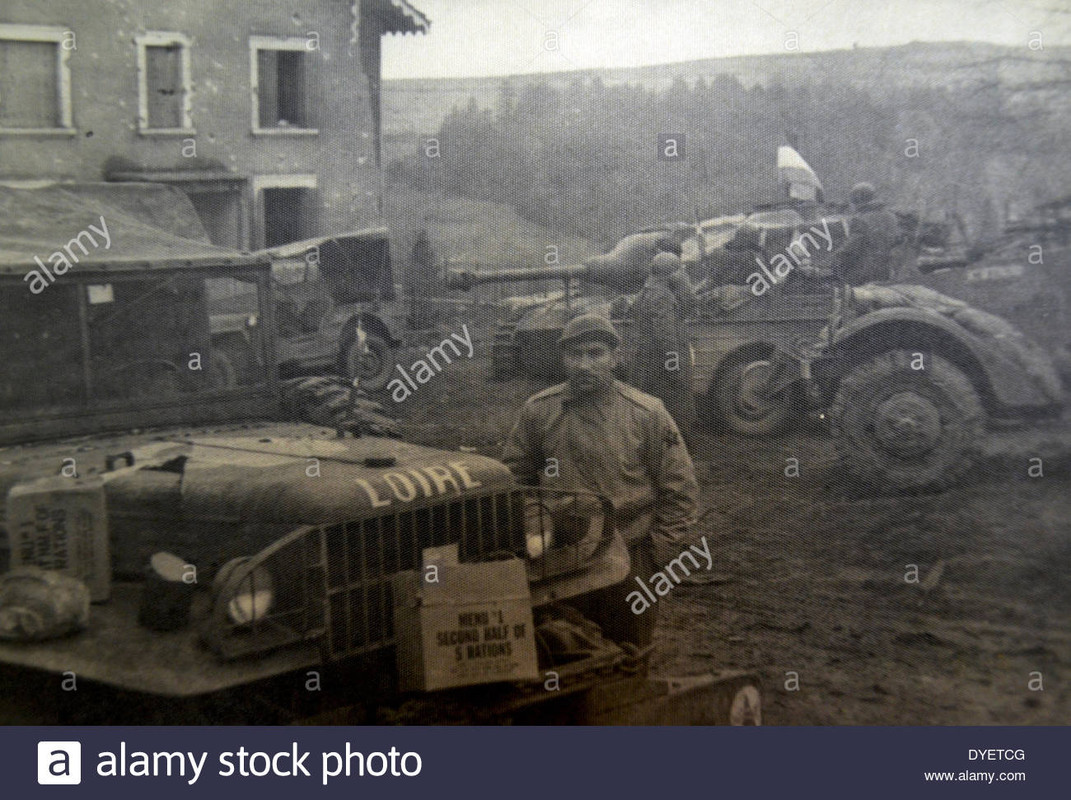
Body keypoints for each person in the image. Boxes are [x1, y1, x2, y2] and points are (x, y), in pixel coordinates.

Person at [502, 313, 699, 652]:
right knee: (563, 651)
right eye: (574, 355)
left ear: (615, 358)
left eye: (595, 353)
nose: (584, 365)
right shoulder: (539, 411)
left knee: (630, 654)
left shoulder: (647, 413)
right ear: (563, 359)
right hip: (559, 561)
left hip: (629, 559)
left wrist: (654, 556)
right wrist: (536, 529)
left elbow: (680, 492)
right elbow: (514, 481)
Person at [628, 251, 698, 434]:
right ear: (672, 273)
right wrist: (674, 369)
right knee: (676, 409)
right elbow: (665, 337)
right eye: (679, 270)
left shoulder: (646, 292)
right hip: (661, 365)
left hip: (648, 362)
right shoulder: (662, 296)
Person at [827, 182, 901, 285]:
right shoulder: (891, 217)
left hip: (863, 272)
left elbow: (851, 248)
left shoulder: (861, 219)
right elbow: (896, 242)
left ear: (857, 200)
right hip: (886, 271)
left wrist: (831, 261)